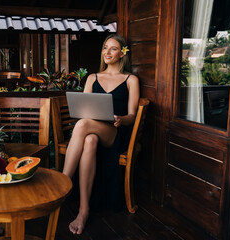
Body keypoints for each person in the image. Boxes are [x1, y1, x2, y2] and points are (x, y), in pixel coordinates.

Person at [62, 34, 140, 235]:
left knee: (82, 126)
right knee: (89, 139)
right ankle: (83, 210)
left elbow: (132, 115)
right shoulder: (92, 78)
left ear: (122, 53)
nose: (107, 52)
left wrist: (121, 119)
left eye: (113, 48)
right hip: (93, 130)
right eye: (105, 48)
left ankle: (61, 184)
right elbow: (83, 109)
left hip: (115, 132)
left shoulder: (131, 80)